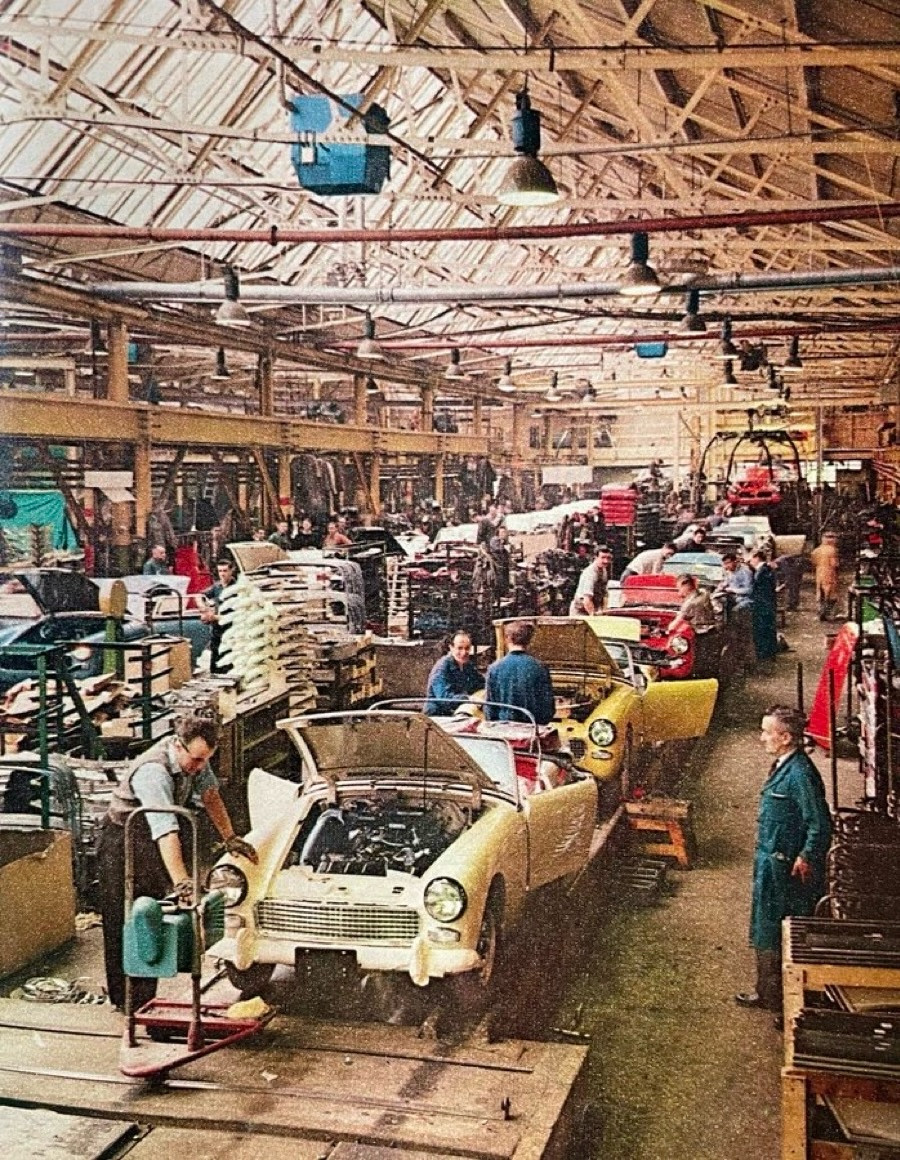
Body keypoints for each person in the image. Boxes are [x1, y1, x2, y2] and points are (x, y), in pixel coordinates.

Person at [97, 713, 258, 1010]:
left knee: (152, 914)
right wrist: (183, 882)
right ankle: (126, 1002)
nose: (198, 767)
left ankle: (146, 998)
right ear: (177, 745)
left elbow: (210, 796)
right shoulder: (153, 771)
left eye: (204, 760)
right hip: (123, 841)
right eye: (195, 760)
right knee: (126, 918)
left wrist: (230, 837)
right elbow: (165, 830)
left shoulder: (197, 759)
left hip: (151, 840)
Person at [735, 705, 831, 1018]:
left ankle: (786, 1005)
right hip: (770, 862)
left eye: (767, 732)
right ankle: (767, 992)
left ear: (786, 737)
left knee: (785, 933)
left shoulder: (800, 774)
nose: (762, 738)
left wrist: (807, 855)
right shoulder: (783, 765)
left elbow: (819, 822)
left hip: (787, 868)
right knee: (764, 927)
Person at [484, 620, 555, 725]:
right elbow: (548, 708)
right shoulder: (540, 668)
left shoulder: (494, 669)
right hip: (532, 729)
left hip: (504, 730)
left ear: (507, 639)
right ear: (529, 640)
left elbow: (490, 709)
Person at [424, 631, 485, 716]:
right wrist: (468, 699)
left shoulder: (467, 665)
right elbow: (444, 698)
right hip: (438, 716)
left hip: (456, 713)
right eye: (459, 648)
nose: (464, 653)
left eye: (467, 648)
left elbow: (481, 683)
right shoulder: (442, 668)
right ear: (451, 648)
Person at [201, 556, 237, 674]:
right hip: (217, 628)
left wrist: (214, 617)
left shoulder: (236, 588)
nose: (222, 574)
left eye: (225, 571)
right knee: (215, 657)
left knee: (228, 659)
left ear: (232, 571)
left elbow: (235, 614)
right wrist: (205, 609)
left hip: (230, 628)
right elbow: (200, 596)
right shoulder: (217, 587)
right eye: (220, 571)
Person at [749, 550, 779, 662]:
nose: (750, 561)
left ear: (757, 558)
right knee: (767, 628)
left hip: (764, 605)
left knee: (764, 629)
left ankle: (766, 653)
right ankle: (768, 652)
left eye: (751, 558)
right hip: (767, 604)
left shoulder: (763, 571)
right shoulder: (764, 570)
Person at [569, 544, 612, 615]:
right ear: (596, 557)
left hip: (594, 607)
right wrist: (593, 617)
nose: (606, 561)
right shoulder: (590, 573)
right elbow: (586, 600)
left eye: (608, 558)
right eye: (603, 558)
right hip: (581, 611)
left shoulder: (604, 571)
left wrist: (604, 611)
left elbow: (604, 594)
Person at [809, 531, 839, 621]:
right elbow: (834, 564)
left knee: (820, 593)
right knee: (830, 594)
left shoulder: (816, 550)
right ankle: (827, 614)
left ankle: (821, 612)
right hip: (829, 573)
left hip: (819, 572)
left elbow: (813, 562)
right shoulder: (832, 550)